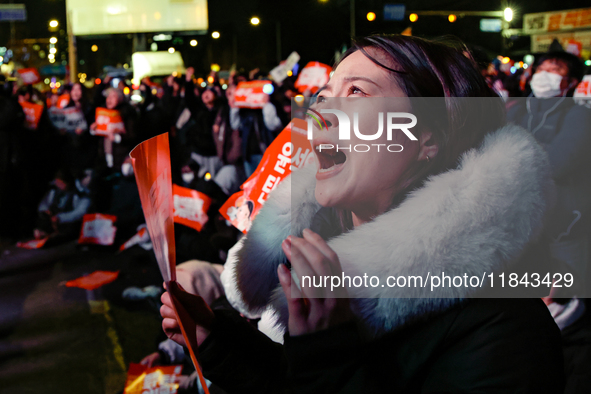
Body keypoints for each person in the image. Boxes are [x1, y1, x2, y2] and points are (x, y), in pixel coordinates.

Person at [161, 35, 564, 393]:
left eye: (357, 92)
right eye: (323, 93)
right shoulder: (317, 255)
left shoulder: (506, 329)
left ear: (428, 139)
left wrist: (326, 353)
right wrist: (217, 341)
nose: (319, 110)